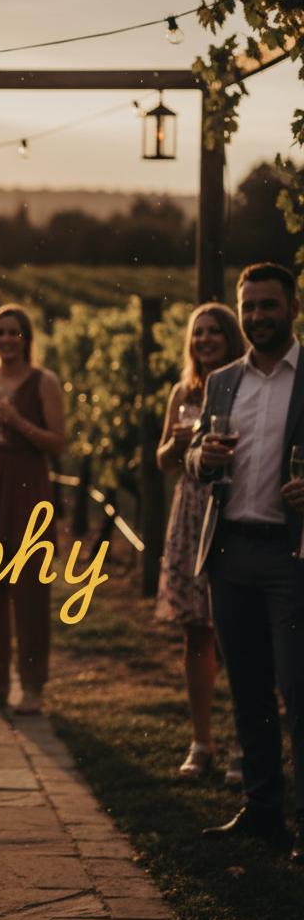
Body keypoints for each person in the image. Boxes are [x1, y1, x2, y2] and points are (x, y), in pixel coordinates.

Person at [185, 262, 304, 867]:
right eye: (249, 306)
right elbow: (195, 460)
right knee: (249, 687)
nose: (258, 317)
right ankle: (262, 809)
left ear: (292, 306)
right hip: (228, 550)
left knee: (297, 687)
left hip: (291, 554)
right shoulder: (223, 380)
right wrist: (201, 456)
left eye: (269, 305)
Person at [155, 303, 245, 779]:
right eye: (198, 333)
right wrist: (177, 442)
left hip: (229, 509)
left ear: (231, 337)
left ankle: (241, 744)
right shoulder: (183, 391)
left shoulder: (244, 387)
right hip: (190, 513)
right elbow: (164, 461)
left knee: (237, 635)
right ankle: (201, 742)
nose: (204, 340)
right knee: (195, 630)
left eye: (214, 332)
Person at [0, 305, 65, 715]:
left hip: (28, 484)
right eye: (0, 332)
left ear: (27, 338)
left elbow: (57, 442)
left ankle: (33, 686)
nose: (6, 339)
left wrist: (18, 422)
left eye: (14, 332)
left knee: (30, 591)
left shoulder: (45, 382)